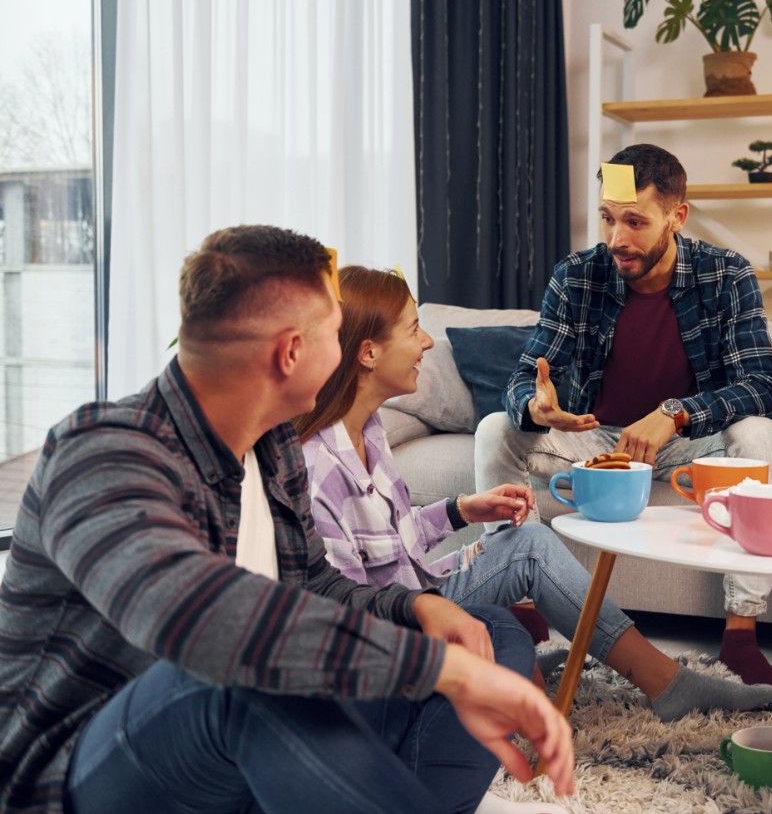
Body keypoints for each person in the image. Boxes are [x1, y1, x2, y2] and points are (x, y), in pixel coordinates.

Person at [0, 226, 574, 814]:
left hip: (238, 739)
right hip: (77, 773)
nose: (347, 346)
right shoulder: (103, 451)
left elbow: (312, 585)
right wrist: (434, 666)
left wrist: (417, 608)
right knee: (242, 682)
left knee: (486, 633)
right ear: (292, 352)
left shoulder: (272, 445)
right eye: (335, 331)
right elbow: (202, 623)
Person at [293, 264, 772, 724]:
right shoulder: (319, 467)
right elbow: (342, 610)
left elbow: (388, 540)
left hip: (416, 591)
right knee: (530, 546)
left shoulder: (369, 430)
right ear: (368, 352)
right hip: (400, 625)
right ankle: (665, 683)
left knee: (531, 542)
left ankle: (546, 660)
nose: (426, 342)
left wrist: (462, 509)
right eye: (412, 329)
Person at [473, 143, 772, 692]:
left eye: (635, 221)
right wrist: (534, 406)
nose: (617, 237)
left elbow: (763, 386)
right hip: (597, 441)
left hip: (691, 441)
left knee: (759, 435)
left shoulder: (725, 274)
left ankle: (740, 632)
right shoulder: (578, 276)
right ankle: (522, 616)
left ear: (677, 216)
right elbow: (526, 375)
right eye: (607, 217)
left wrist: (677, 413)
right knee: (495, 429)